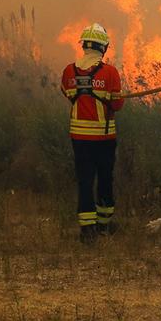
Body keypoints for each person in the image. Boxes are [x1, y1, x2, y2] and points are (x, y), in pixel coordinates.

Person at [60, 23, 124, 244]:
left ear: (84, 45)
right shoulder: (109, 72)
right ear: (103, 47)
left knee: (85, 181)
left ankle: (87, 231)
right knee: (105, 179)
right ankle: (104, 225)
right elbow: (118, 105)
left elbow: (68, 93)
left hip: (79, 138)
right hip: (104, 139)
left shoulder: (68, 71)